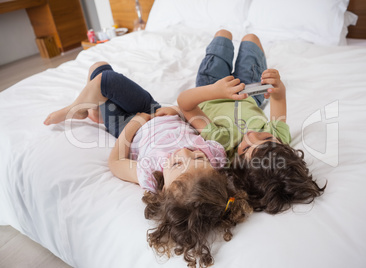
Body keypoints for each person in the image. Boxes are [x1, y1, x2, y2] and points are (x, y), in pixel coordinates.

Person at [44, 62, 252, 267]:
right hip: (155, 110)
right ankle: (87, 109)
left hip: (128, 127)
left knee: (100, 73)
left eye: (177, 163)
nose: (183, 152)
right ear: (215, 171)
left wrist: (136, 123)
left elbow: (115, 162)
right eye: (198, 158)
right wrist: (176, 112)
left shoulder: (151, 174)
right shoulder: (215, 155)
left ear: (163, 190)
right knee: (106, 77)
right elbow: (191, 115)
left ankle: (83, 110)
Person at [177, 29, 326, 215]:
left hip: (211, 88)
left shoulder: (222, 143)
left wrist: (215, 91)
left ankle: (224, 37)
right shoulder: (278, 140)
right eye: (264, 138)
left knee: (223, 35)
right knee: (251, 38)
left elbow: (185, 104)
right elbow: (279, 99)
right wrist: (277, 87)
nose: (251, 135)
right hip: (250, 91)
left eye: (246, 148)